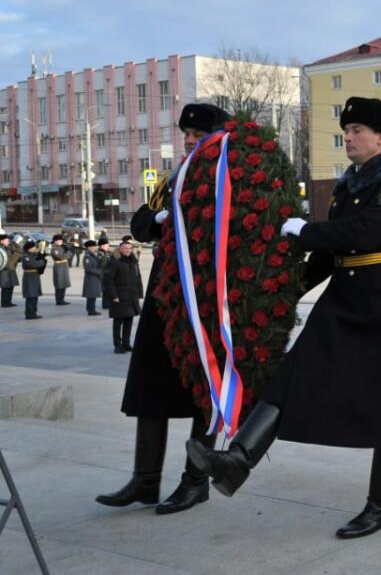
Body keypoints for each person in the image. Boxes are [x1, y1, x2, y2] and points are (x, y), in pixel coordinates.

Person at [187, 95, 381, 540]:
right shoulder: (349, 185)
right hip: (342, 300)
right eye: (346, 131)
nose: (349, 137)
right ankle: (238, 461)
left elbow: (362, 235)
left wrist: (305, 231)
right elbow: (331, 254)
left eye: (357, 130)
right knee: (293, 373)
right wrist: (283, 293)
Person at [96, 103, 230, 516]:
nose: (190, 140)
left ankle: (195, 482)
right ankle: (145, 480)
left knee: (203, 387)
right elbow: (139, 226)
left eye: (198, 133)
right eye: (186, 133)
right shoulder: (176, 177)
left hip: (204, 295)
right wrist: (158, 217)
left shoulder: (225, 179)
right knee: (149, 379)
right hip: (163, 291)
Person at [103, 239, 142, 354]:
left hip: (131, 296)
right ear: (120, 249)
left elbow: (138, 277)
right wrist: (113, 295)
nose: (128, 250)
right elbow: (108, 280)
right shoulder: (114, 261)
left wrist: (139, 292)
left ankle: (126, 343)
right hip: (119, 296)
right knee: (118, 322)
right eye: (125, 248)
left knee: (129, 320)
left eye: (130, 248)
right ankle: (117, 345)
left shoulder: (133, 261)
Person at [20, 240, 46, 320]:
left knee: (34, 296)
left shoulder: (31, 255)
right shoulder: (26, 256)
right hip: (29, 277)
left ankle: (33, 312)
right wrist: (42, 261)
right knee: (31, 296)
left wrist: (41, 255)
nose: (35, 248)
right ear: (29, 249)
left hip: (34, 277)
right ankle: (29, 314)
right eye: (34, 247)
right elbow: (33, 264)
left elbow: (36, 259)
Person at [81, 239, 105, 316]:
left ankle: (92, 309)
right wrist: (99, 272)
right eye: (93, 246)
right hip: (91, 278)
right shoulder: (87, 257)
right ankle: (90, 310)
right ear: (89, 248)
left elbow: (99, 263)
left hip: (95, 278)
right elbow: (88, 269)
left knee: (93, 295)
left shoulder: (94, 255)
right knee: (91, 295)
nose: (95, 248)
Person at [49, 233, 71, 306]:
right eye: (59, 240)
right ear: (55, 241)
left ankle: (62, 299)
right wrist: (69, 252)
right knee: (59, 284)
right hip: (59, 266)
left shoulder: (62, 247)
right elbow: (61, 257)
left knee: (64, 283)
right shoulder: (54, 249)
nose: (61, 241)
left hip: (64, 266)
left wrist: (69, 249)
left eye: (61, 240)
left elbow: (66, 256)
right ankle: (58, 300)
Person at [1, 232, 20, 308]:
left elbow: (19, 251)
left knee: (11, 286)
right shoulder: (1, 249)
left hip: (11, 269)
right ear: (1, 241)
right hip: (4, 270)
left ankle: (8, 301)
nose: (8, 241)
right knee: (6, 287)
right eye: (6, 240)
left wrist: (15, 244)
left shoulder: (8, 247)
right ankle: (4, 302)